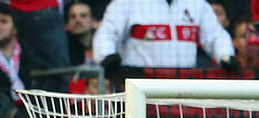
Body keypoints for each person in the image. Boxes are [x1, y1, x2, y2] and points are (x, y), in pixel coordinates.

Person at [94, 0, 238, 74]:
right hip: (141, 88)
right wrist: (107, 56)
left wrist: (225, 55)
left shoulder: (197, 4)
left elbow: (216, 35)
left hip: (182, 88)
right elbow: (107, 32)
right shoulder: (128, 2)